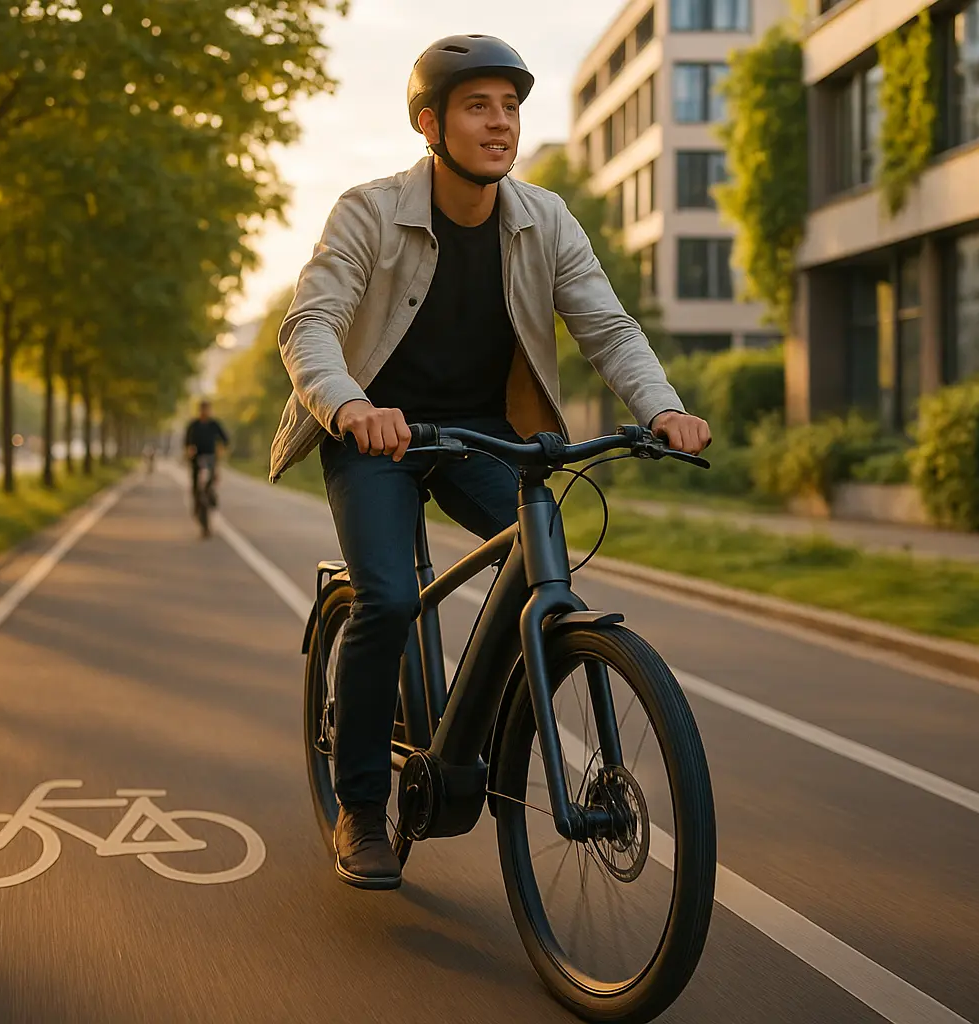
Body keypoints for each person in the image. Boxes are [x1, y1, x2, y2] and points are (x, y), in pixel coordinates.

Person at [269, 35, 711, 890]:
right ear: (431, 124)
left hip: (482, 431)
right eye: (479, 106)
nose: (500, 122)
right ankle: (362, 806)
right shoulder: (368, 211)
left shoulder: (544, 218)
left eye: (510, 106)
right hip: (374, 435)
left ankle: (481, 718)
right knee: (390, 596)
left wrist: (660, 407)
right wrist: (351, 406)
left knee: (541, 552)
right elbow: (310, 325)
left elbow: (608, 329)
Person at [184, 401, 230, 530]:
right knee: (195, 485)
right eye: (203, 410)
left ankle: (211, 497)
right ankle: (196, 506)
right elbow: (187, 442)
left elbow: (225, 439)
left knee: (211, 481)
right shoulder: (193, 425)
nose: (205, 412)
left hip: (210, 458)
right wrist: (189, 450)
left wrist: (221, 449)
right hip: (196, 459)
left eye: (207, 410)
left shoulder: (214, 424)